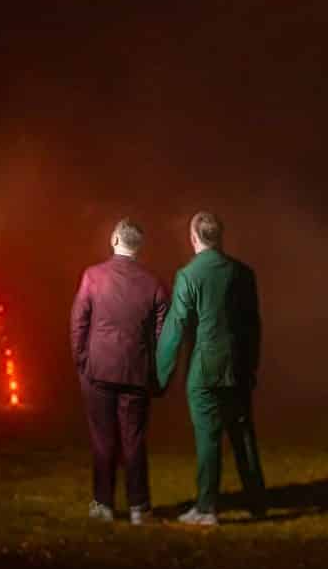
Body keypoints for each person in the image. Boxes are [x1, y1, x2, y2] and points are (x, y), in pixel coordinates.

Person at [155, 210, 265, 527]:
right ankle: (257, 502)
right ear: (220, 237)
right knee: (243, 433)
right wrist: (252, 364)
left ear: (193, 238)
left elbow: (176, 326)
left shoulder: (189, 275)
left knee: (209, 436)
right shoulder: (244, 274)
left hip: (205, 368)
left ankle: (206, 508)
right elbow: (253, 325)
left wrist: (160, 374)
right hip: (239, 366)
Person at [70, 218, 170, 523]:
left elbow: (78, 323)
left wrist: (82, 362)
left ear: (115, 240)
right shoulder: (154, 283)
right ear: (139, 246)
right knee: (134, 439)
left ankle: (104, 504)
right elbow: (162, 336)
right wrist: (157, 375)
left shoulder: (92, 276)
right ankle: (140, 507)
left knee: (103, 439)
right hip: (136, 372)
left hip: (99, 369)